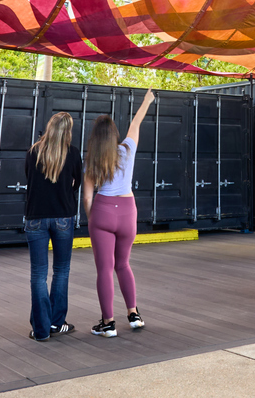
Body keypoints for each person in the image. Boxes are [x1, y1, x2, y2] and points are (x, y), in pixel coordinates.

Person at [82, 89, 155, 338]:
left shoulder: (92, 159)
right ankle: (133, 314)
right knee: (123, 264)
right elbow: (136, 122)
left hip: (103, 210)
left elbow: (87, 196)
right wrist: (147, 100)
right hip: (127, 212)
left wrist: (93, 218)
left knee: (105, 269)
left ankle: (108, 323)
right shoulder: (127, 150)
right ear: (114, 135)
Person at [25, 112, 83, 342]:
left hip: (35, 217)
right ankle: (57, 323)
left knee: (38, 275)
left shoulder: (33, 152)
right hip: (63, 217)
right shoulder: (73, 153)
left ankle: (40, 330)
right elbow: (77, 182)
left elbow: (29, 178)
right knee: (61, 271)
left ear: (49, 127)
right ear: (68, 131)